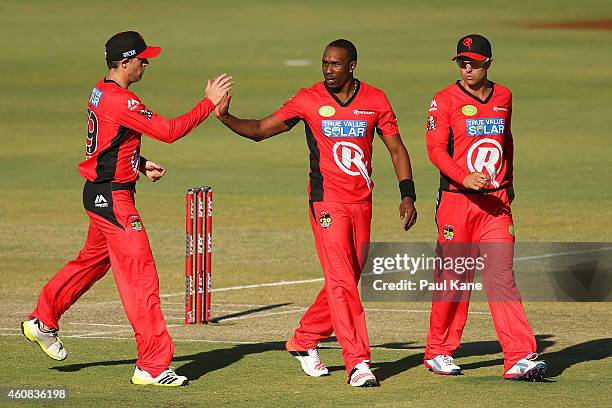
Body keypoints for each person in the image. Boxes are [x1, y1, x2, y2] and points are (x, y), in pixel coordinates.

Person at [21, 31, 232, 387]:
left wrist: (137, 161)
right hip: (114, 201)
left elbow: (108, 141)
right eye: (142, 58)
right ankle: (151, 366)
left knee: (92, 262)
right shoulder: (122, 100)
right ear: (124, 62)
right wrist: (208, 103)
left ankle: (42, 320)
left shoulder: (100, 91)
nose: (146, 63)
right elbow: (168, 130)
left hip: (101, 194)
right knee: (141, 278)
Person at [215, 39, 417, 387]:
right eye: (324, 63)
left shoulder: (375, 99)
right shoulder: (308, 99)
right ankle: (358, 362)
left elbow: (396, 149)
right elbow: (262, 130)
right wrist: (225, 116)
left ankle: (304, 340)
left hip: (362, 203)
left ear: (352, 65)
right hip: (327, 204)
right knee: (341, 283)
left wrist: (407, 194)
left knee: (349, 279)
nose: (328, 70)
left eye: (335, 64)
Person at [423, 34, 547, 381]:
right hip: (456, 202)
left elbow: (506, 140)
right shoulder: (443, 100)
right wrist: (465, 176)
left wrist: (510, 182)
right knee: (454, 278)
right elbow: (435, 150)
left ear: (488, 63)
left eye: (473, 62)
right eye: (462, 62)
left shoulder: (504, 96)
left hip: (496, 204)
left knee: (501, 277)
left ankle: (518, 356)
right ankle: (438, 351)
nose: (466, 68)